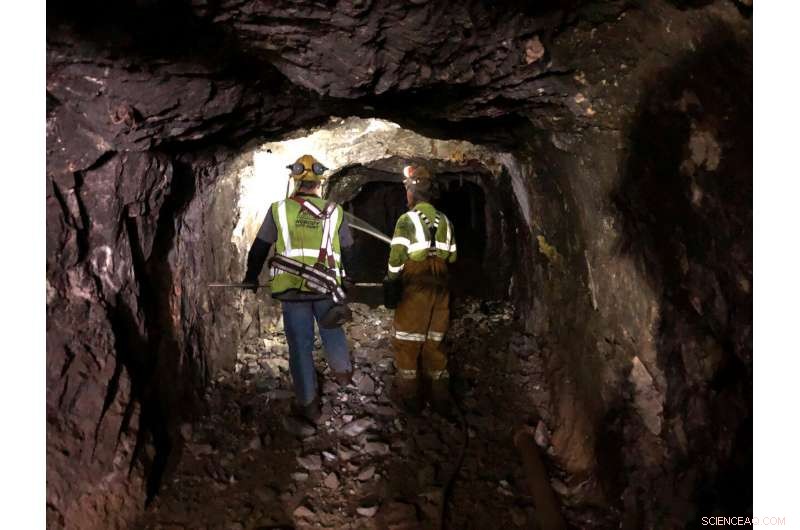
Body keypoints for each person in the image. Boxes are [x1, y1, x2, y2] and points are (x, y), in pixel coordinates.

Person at [243, 154, 354, 425]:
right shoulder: (334, 211)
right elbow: (349, 248)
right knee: (331, 328)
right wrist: (348, 276)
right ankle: (343, 376)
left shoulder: (279, 209)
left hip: (292, 290)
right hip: (326, 286)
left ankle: (308, 402)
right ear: (319, 181)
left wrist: (250, 276)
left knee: (300, 345)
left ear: (294, 179)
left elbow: (260, 246)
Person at [385, 165, 457, 415]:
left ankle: (411, 398)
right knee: (435, 342)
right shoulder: (446, 221)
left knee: (407, 341)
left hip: (416, 288)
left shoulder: (407, 220)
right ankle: (441, 397)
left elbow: (396, 257)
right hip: (442, 288)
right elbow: (452, 256)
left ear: (411, 193)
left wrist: (392, 281)